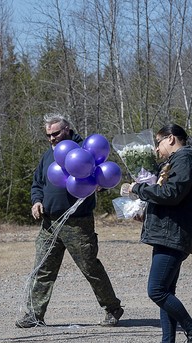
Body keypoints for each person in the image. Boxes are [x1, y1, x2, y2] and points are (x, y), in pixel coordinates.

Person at [15, 113, 124, 328]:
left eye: (55, 133)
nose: (52, 139)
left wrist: (99, 185)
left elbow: (99, 178)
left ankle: (112, 308)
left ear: (67, 129)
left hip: (77, 223)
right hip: (49, 222)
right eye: (48, 135)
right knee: (43, 268)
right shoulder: (48, 156)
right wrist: (36, 201)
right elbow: (37, 183)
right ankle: (34, 314)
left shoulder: (85, 150)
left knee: (90, 268)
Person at [124, 123, 192, 343]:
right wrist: (146, 211)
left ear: (171, 139)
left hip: (173, 235)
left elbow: (172, 194)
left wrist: (139, 189)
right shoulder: (178, 161)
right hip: (168, 232)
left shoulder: (184, 159)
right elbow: (172, 197)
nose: (156, 149)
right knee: (166, 292)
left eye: (158, 143)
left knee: (157, 291)